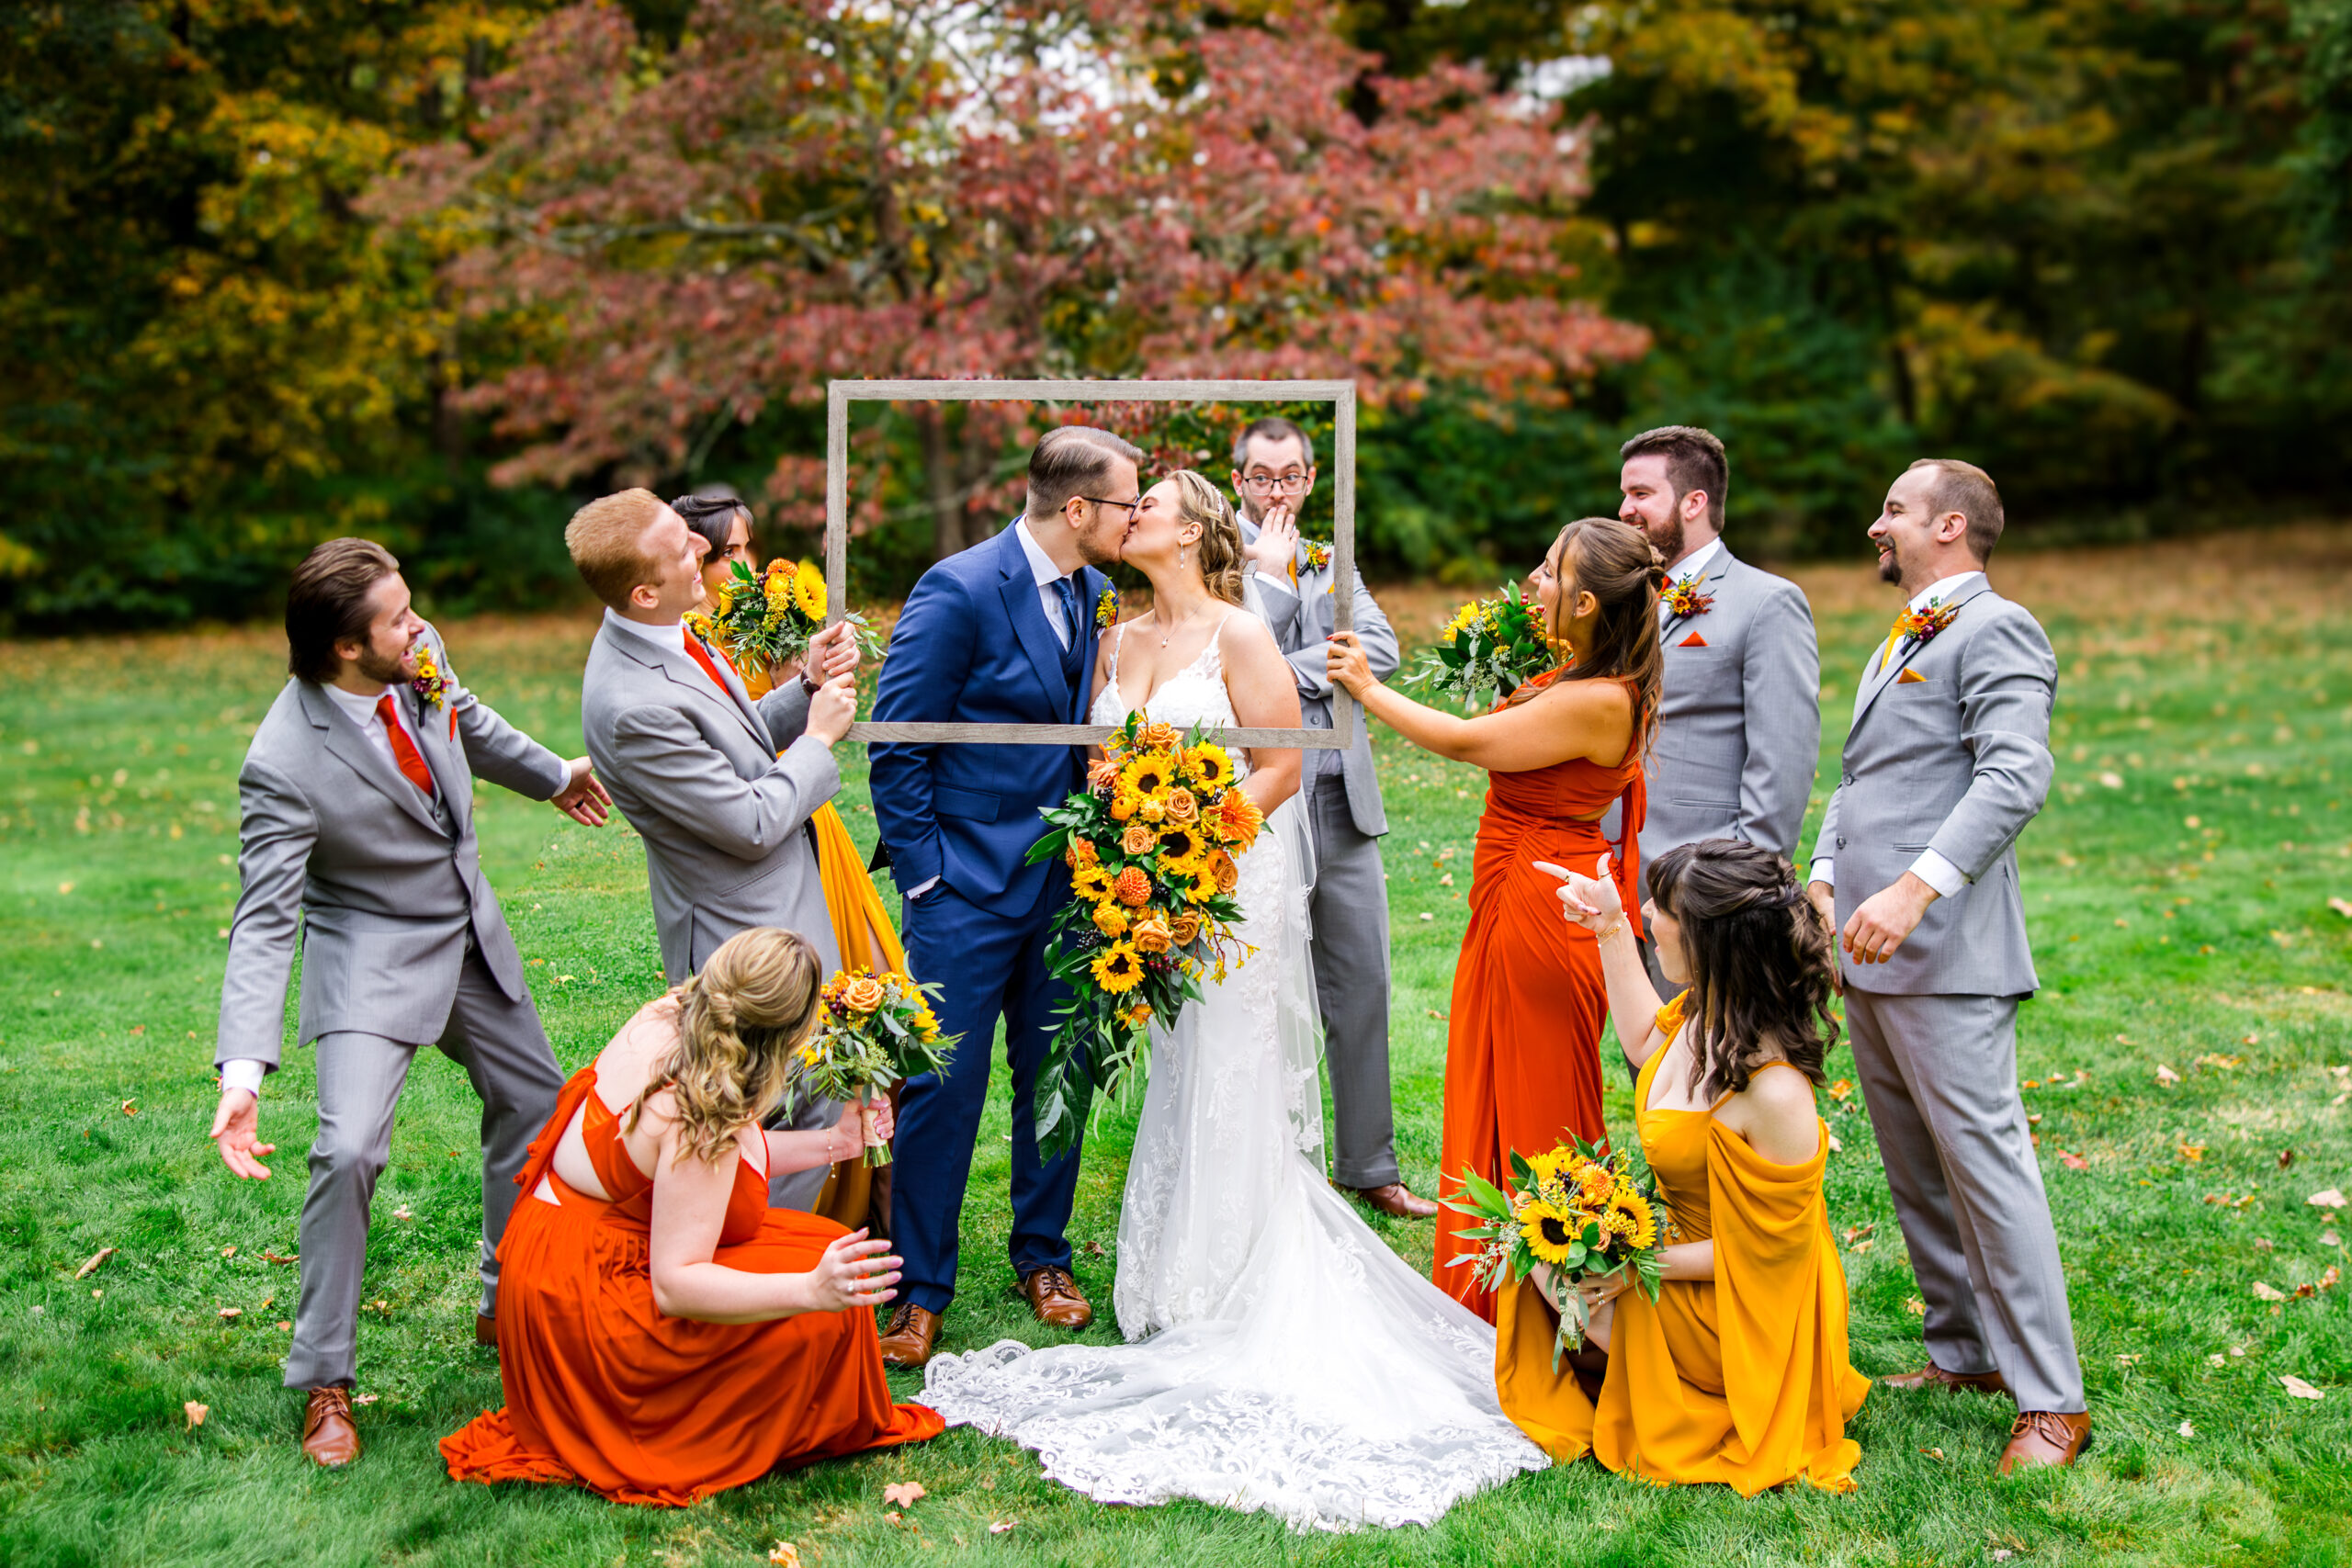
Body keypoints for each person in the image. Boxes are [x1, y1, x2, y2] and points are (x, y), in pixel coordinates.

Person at [920, 473, 1547, 1530]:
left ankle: (1238, 1279)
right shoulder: (1113, 637)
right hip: (1149, 887)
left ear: (1192, 533)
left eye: (1150, 505)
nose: (1132, 515)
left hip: (1230, 882)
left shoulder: (1241, 634)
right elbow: (1104, 759)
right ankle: (1175, 1279)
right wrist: (1127, 844)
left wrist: (1191, 842)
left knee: (1231, 1065)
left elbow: (1281, 769)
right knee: (1180, 1065)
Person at [207, 538, 612, 1468]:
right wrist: (242, 1074)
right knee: (349, 1148)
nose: (420, 626)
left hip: (467, 932)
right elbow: (264, 922)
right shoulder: (282, 761)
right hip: (370, 954)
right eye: (397, 618)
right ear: (347, 648)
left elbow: (463, 717)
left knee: (539, 1105)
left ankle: (507, 1301)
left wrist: (555, 776)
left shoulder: (416, 657)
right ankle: (324, 1380)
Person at [439, 928, 944, 1505]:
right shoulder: (700, 1112)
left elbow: (732, 1163)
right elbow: (677, 1286)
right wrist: (810, 1290)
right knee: (822, 1312)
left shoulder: (677, 1019)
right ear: (782, 1039)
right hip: (585, 1301)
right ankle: (682, 1418)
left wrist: (838, 1141)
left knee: (823, 1246)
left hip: (561, 1251)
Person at [1806, 458, 2087, 1472]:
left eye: (1893, 509)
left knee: (1986, 1171)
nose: (1875, 526)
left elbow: (2016, 775)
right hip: (1867, 948)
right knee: (1917, 1172)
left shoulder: (1998, 628)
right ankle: (1963, 1354)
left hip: (1947, 950)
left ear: (1951, 526)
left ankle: (2051, 1401)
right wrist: (1826, 874)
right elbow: (1861, 777)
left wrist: (1915, 889)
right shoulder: (1902, 632)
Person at [1326, 516, 1664, 1323]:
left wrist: (1369, 689)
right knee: (1495, 1078)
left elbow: (1468, 741)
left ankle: (1549, 1309)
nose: (1532, 583)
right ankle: (1498, 1294)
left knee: (1538, 1099)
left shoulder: (1599, 698)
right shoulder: (1585, 666)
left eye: (1548, 572)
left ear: (1587, 601)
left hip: (1542, 904)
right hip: (1521, 886)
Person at [865, 426, 1133, 1368]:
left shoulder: (1095, 594)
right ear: (1077, 509)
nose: (1135, 517)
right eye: (1126, 504)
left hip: (1069, 887)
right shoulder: (959, 588)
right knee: (942, 1087)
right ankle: (918, 1290)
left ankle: (1043, 1257)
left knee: (1059, 1073)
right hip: (965, 888)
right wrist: (927, 875)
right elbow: (897, 740)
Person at [1503, 839, 1868, 1495]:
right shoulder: (1707, 1012)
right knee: (1535, 1237)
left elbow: (1764, 1256)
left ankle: (1694, 1388)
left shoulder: (1776, 1093)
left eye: (1663, 908)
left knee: (1560, 1269)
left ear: (1710, 941)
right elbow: (1645, 1040)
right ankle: (1639, 1366)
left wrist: (1635, 1265)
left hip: (1746, 1304)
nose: (1647, 912)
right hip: (1683, 1253)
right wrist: (1609, 926)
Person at [568, 488, 862, 1210]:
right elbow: (750, 821)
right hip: (743, 934)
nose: (703, 547)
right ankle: (757, 1259)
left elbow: (733, 740)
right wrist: (818, 738)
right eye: (683, 547)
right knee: (776, 1117)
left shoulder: (663, 629)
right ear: (643, 591)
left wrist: (805, 686)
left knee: (813, 1096)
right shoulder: (631, 705)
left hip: (777, 905)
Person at [673, 491, 906, 1234]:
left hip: (811, 818)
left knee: (879, 997)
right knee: (810, 1032)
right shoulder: (688, 643)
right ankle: (808, 1216)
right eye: (726, 552)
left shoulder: (765, 615)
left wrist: (808, 668)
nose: (744, 565)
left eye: (748, 547)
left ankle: (875, 1208)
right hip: (767, 814)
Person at [1230, 416, 1433, 1220]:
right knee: (1253, 991)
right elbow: (1219, 663)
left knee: (1364, 984)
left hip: (1342, 801)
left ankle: (1369, 1164)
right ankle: (1263, 1167)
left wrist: (1275, 672)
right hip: (1256, 801)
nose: (1276, 491)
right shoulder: (1216, 557)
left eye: (1290, 476)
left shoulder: (1330, 559)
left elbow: (1378, 648)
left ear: (1312, 479)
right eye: (1262, 477)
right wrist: (1315, 658)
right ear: (1238, 480)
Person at [1616, 426, 1820, 992]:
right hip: (1612, 884)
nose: (1624, 509)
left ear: (1694, 502)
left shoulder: (1766, 602)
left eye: (1640, 494)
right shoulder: (1621, 602)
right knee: (1642, 1049)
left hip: (1702, 895)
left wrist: (1734, 892)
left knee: (1709, 1047)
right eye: (1624, 494)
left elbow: (1783, 760)